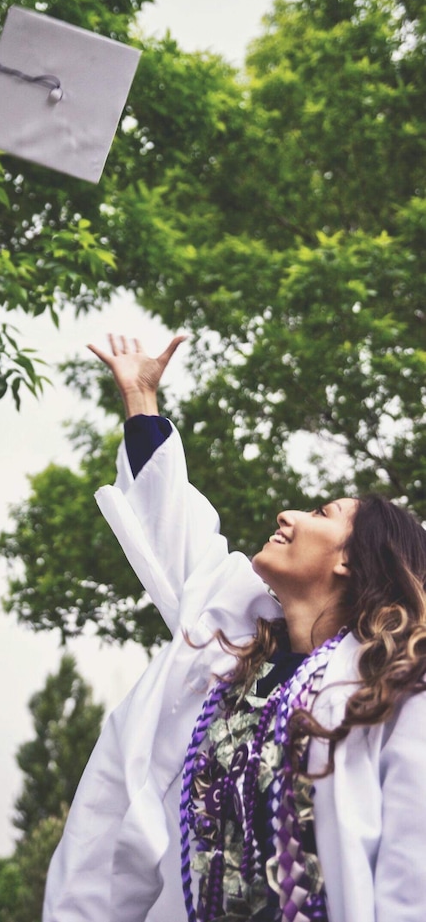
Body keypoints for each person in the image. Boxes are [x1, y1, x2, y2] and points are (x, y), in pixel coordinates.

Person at [42, 335, 426, 922]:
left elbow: (411, 868)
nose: (288, 514)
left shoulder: (392, 688)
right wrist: (141, 397)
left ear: (351, 560)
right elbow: (171, 527)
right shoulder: (230, 647)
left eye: (322, 514)